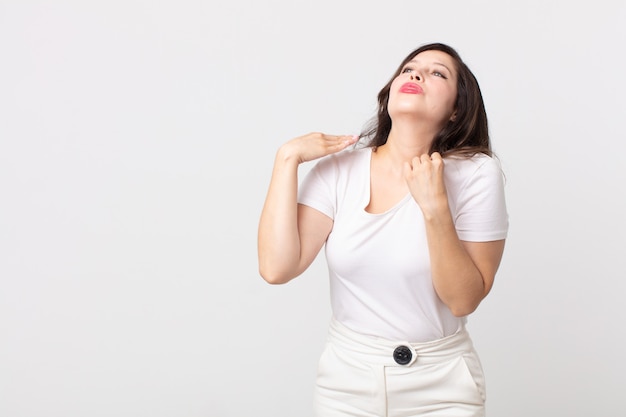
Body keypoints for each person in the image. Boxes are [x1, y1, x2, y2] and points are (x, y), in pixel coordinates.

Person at [257, 42, 508, 417]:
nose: (416, 74)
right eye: (408, 69)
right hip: (346, 382)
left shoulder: (475, 174)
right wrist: (287, 159)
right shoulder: (337, 171)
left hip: (442, 386)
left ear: (457, 110)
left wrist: (434, 206)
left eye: (437, 73)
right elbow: (277, 268)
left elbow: (463, 300)